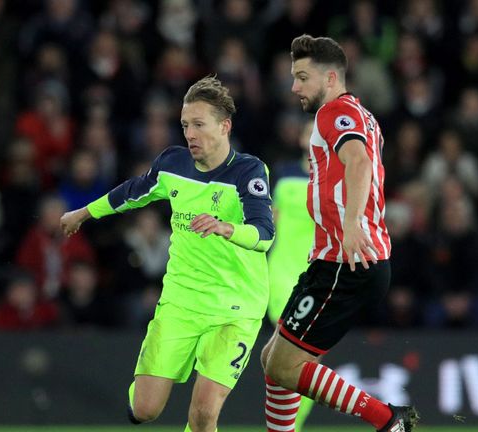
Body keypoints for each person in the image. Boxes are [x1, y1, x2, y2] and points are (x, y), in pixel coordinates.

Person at [59, 76, 274, 432]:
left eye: (199, 125)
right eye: (185, 125)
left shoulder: (249, 171)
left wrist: (227, 228)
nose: (190, 133)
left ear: (225, 126)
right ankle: (142, 393)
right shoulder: (173, 164)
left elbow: (264, 234)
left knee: (204, 413)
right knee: (145, 410)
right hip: (181, 302)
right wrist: (84, 212)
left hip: (236, 307)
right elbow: (132, 192)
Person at [260, 35, 419, 432]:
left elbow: (359, 161)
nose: (294, 87)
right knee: (273, 362)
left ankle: (388, 420)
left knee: (284, 365)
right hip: (334, 260)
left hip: (344, 261)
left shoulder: (333, 113)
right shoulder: (362, 115)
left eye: (301, 77)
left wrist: (350, 227)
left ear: (330, 78)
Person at [266, 119, 315, 431]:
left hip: (317, 277)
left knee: (305, 361)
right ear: (301, 138)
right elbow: (269, 221)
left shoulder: (340, 179)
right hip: (280, 272)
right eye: (311, 132)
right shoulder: (282, 173)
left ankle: (290, 425)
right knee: (291, 353)